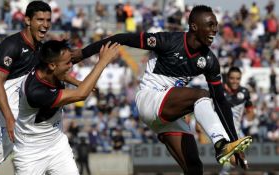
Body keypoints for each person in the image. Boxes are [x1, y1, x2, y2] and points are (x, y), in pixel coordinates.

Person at [71, 5, 252, 174]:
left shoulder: (210, 61)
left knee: (195, 168)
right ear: (194, 26)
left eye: (216, 25)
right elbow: (122, 38)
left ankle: (225, 145)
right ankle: (220, 145)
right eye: (210, 25)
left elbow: (221, 101)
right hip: (150, 98)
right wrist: (83, 53)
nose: (215, 29)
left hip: (168, 113)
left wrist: (235, 142)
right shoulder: (168, 41)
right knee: (201, 95)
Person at [0, 1, 79, 175]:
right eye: (40, 20)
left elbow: (55, 72)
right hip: (2, 120)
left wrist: (78, 83)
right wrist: (8, 118)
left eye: (48, 20)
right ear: (27, 20)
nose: (45, 25)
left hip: (25, 124)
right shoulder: (12, 44)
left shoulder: (43, 49)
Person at [13, 40, 120, 175]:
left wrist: (77, 82)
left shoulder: (46, 68)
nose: (71, 65)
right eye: (67, 63)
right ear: (52, 65)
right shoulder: (35, 92)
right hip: (30, 152)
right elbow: (81, 95)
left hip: (57, 145)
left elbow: (61, 74)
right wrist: (102, 62)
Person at [220, 67, 254, 174]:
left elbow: (250, 110)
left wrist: (249, 120)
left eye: (238, 79)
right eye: (232, 78)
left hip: (237, 131)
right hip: (221, 131)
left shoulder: (244, 92)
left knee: (235, 162)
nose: (235, 81)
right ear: (227, 78)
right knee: (232, 159)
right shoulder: (219, 91)